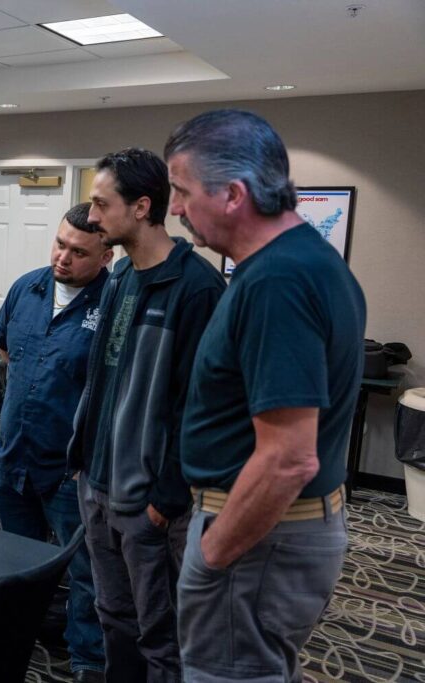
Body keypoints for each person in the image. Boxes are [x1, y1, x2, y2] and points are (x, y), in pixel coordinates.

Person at [165, 110, 365, 682]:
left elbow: (287, 457)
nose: (175, 208)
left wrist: (212, 557)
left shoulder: (279, 281)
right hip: (277, 535)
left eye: (181, 190)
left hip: (256, 538)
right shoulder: (302, 261)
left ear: (232, 194)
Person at [67, 148, 225, 682]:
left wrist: (167, 498)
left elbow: (200, 406)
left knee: (161, 636)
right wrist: (82, 461)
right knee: (113, 618)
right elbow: (103, 378)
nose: (91, 216)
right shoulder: (119, 279)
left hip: (150, 502)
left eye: (100, 203)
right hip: (98, 485)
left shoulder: (198, 289)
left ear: (140, 207)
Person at [0, 202, 111, 682]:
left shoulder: (114, 301)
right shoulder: (27, 288)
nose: (63, 257)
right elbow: (6, 352)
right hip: (13, 455)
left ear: (106, 256)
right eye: (60, 244)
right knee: (17, 564)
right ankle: (21, 641)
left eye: (79, 252)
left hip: (70, 468)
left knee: (86, 571)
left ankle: (87, 662)